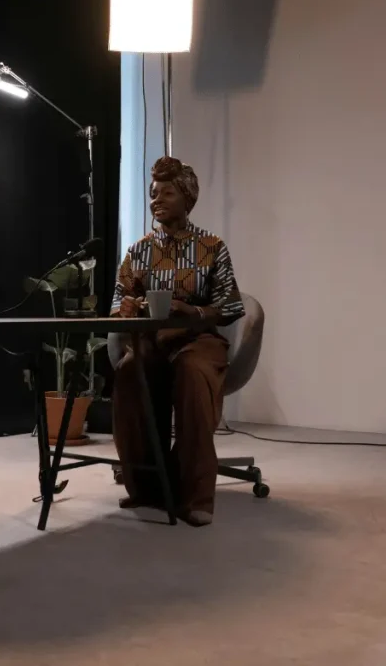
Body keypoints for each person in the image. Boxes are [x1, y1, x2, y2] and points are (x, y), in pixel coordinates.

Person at [110, 156, 245, 527]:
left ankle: (195, 495)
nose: (157, 200)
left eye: (167, 192)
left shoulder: (212, 247)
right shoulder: (138, 251)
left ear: (188, 198)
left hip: (197, 339)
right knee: (130, 373)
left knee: (192, 373)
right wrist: (129, 305)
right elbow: (117, 299)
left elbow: (231, 306)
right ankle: (146, 487)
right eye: (153, 193)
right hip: (151, 340)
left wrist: (195, 313)